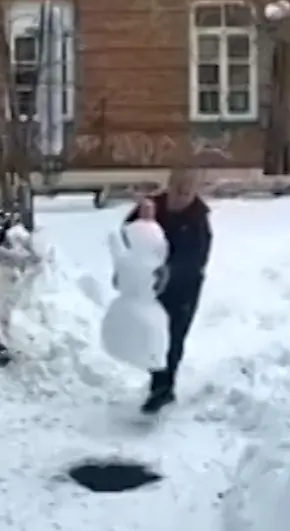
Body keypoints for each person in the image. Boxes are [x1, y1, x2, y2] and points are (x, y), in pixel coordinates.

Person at [123, 167, 212, 414]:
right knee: (152, 335)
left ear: (195, 192)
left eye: (188, 190)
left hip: (184, 289)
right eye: (179, 188)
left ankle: (163, 389)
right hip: (151, 287)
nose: (182, 195)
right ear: (169, 185)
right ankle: (159, 383)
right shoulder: (153, 208)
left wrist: (169, 271)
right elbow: (127, 235)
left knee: (173, 337)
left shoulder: (198, 219)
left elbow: (196, 258)